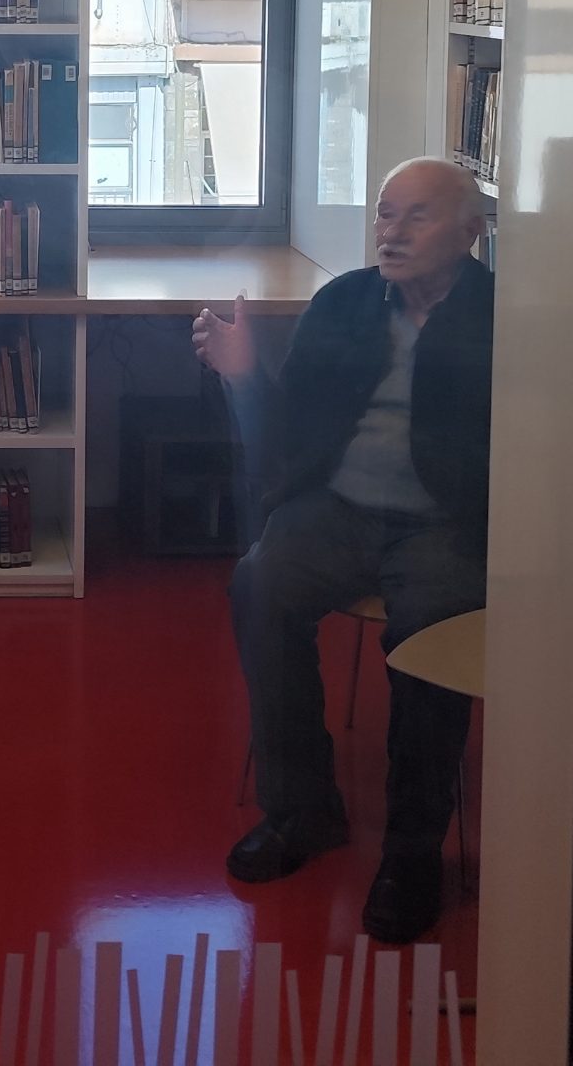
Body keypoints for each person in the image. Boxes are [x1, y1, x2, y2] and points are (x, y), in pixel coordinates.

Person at [193, 156, 492, 944]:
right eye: (386, 213)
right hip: (337, 510)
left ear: (471, 231)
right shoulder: (343, 304)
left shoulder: (507, 319)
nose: (392, 231)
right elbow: (289, 433)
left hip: (446, 525)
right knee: (261, 585)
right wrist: (244, 375)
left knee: (431, 634)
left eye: (417, 215)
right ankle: (302, 811)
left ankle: (413, 851)